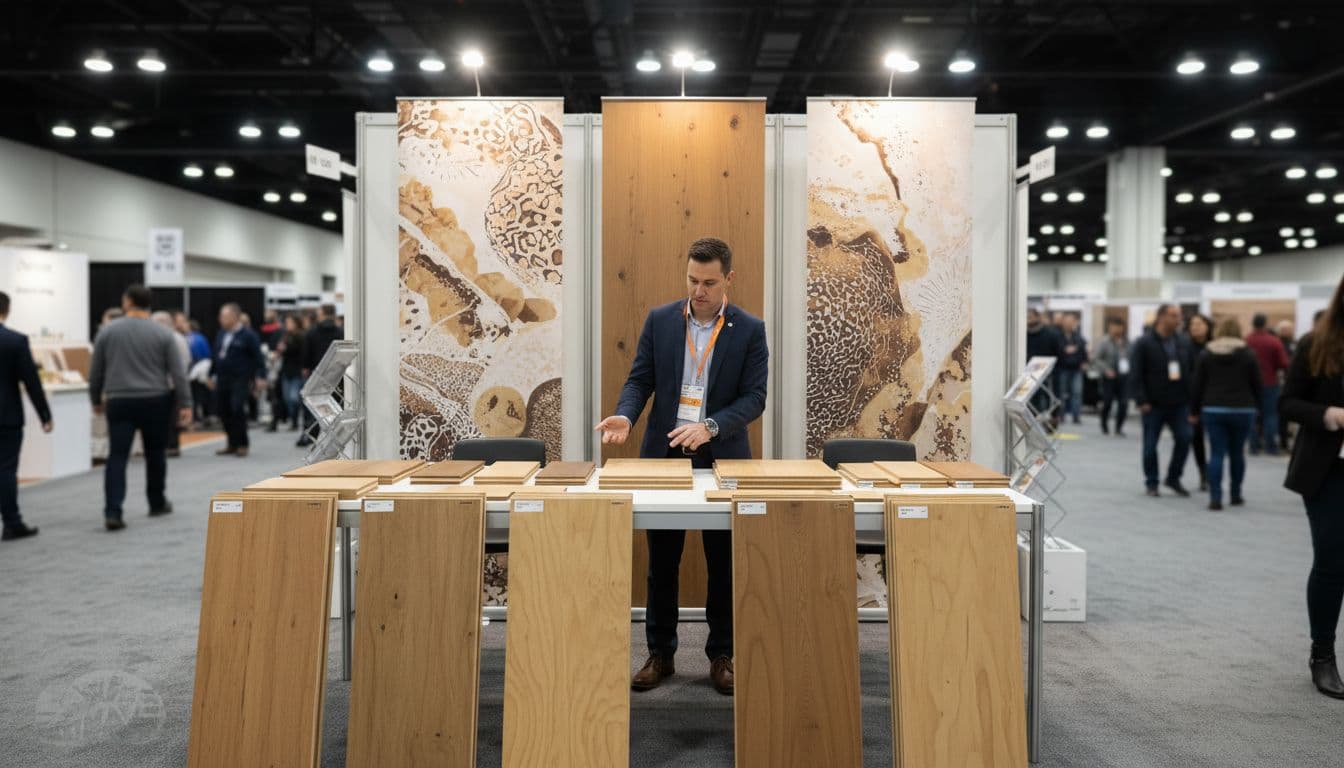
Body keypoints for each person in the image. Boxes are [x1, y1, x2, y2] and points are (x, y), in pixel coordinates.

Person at [595, 237, 768, 697]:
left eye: (709, 282)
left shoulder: (750, 330)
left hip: (722, 458)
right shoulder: (660, 321)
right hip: (665, 456)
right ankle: (660, 653)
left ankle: (723, 655)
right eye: (693, 280)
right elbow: (640, 380)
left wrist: (711, 425)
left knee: (723, 562)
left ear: (727, 279)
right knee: (662, 562)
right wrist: (626, 415)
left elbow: (754, 398)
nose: (699, 290)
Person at [1279, 273, 1344, 700]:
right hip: (1328, 472)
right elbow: (1287, 403)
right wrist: (1328, 414)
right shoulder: (1316, 343)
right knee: (1333, 562)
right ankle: (1322, 655)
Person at [88, 285, 192, 531]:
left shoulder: (107, 332)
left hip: (119, 400)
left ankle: (113, 511)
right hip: (155, 400)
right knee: (155, 453)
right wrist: (186, 403)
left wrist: (95, 400)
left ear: (127, 302)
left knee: (117, 456)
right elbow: (178, 373)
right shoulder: (163, 333)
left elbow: (96, 372)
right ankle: (156, 502)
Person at [1189, 318, 1262, 511]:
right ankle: (1236, 494)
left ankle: (1215, 497)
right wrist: (1259, 409)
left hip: (1213, 409)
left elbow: (1198, 385)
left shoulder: (1206, 354)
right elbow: (1257, 384)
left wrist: (1194, 411)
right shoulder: (1248, 354)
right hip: (1243, 409)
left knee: (1216, 453)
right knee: (1237, 453)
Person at [0, 291, 52, 541]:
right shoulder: (15, 341)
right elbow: (31, 381)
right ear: (7, 311)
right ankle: (12, 522)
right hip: (6, 415)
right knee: (6, 469)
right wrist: (44, 413)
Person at [1129, 304, 1195, 498]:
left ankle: (1173, 477)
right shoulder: (1144, 342)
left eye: (1179, 316)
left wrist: (1191, 399)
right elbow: (1136, 373)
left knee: (1184, 438)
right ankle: (1152, 482)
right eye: (1174, 316)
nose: (1178, 320)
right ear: (1161, 317)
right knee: (1150, 446)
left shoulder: (1183, 342)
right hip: (1153, 403)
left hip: (1179, 402)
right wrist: (1141, 400)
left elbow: (1191, 370)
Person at [212, 303, 266, 457]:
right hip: (223, 378)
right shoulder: (221, 333)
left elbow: (258, 358)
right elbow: (216, 356)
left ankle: (242, 444)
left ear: (235, 317)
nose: (221, 319)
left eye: (224, 316)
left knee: (237, 409)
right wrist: (211, 375)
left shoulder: (248, 335)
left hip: (240, 378)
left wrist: (261, 376)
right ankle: (231, 443)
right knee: (223, 411)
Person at [297, 304, 343, 447]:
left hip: (316, 374)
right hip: (337, 375)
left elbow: (306, 354)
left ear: (322, 314)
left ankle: (312, 436)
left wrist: (305, 368)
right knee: (335, 406)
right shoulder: (341, 332)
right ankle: (335, 436)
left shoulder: (312, 332)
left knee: (314, 407)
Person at [1246, 313, 1291, 456]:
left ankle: (1254, 447)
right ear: (1265, 324)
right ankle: (1271, 447)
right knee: (1270, 416)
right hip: (1270, 382)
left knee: (1253, 415)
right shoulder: (1274, 341)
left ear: (1253, 324)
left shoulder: (1246, 340)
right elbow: (1284, 363)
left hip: (1250, 385)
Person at [151, 311, 191, 457]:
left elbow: (183, 363)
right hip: (165, 384)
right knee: (168, 417)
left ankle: (172, 445)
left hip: (170, 384)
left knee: (171, 417)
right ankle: (169, 444)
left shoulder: (175, 339)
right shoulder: (174, 338)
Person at [1186, 313, 1212, 491]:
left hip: (1213, 398)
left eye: (1199, 323)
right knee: (1196, 438)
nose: (1195, 327)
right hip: (1192, 399)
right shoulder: (1184, 347)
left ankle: (1213, 472)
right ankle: (1204, 473)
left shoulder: (1215, 347)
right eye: (1193, 324)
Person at [1025, 307, 1064, 423]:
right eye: (1027, 318)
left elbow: (1058, 353)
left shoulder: (1050, 334)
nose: (1029, 320)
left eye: (1031, 317)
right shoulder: (1023, 335)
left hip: (1049, 372)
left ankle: (1052, 418)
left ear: (1038, 317)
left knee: (1050, 396)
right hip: (1029, 372)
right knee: (1033, 397)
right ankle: (1033, 417)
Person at [1094, 317, 1130, 436]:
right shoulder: (1105, 342)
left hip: (1123, 377)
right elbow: (1096, 359)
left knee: (1124, 403)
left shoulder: (1126, 342)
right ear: (1110, 328)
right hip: (1109, 377)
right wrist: (1106, 370)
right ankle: (1104, 424)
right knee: (1108, 402)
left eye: (1119, 328)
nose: (1116, 330)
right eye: (1114, 327)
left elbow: (1132, 357)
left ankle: (1119, 428)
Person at [1056, 314, 1088, 425]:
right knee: (1061, 393)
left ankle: (1076, 416)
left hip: (1076, 368)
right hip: (1062, 367)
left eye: (1071, 321)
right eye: (1067, 321)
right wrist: (1065, 350)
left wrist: (1084, 362)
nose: (1069, 324)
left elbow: (1082, 350)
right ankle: (1060, 415)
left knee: (1077, 392)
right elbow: (1058, 350)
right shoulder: (1058, 336)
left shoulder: (1078, 337)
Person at [276, 315, 305, 431]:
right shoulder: (285, 336)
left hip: (297, 370)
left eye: (289, 322)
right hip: (286, 370)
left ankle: (295, 421)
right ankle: (293, 420)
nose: (287, 325)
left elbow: (300, 352)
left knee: (294, 398)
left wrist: (286, 349)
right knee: (287, 398)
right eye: (286, 322)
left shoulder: (301, 336)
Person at [1278, 320, 1297, 452]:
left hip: (1292, 380)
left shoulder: (1294, 344)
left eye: (1289, 329)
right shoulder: (1277, 343)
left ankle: (1286, 440)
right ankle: (1283, 441)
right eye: (1285, 329)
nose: (1288, 332)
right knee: (1282, 414)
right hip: (1281, 380)